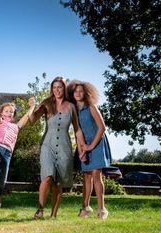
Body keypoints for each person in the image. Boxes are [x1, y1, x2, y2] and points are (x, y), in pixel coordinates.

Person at [28, 76, 85, 219]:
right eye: (54, 87)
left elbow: (77, 130)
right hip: (47, 146)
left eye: (59, 87)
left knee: (58, 184)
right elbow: (33, 120)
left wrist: (82, 148)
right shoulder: (47, 104)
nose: (57, 90)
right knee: (47, 177)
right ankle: (40, 209)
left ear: (64, 88)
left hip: (65, 149)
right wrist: (31, 107)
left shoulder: (71, 107)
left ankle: (53, 215)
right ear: (51, 89)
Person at [0, 86, 35, 208]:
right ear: (1, 113)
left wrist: (32, 107)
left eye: (11, 112)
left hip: (7, 152)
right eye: (7, 111)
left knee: (2, 180)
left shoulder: (16, 126)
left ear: (13, 115)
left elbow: (26, 117)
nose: (9, 113)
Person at [68, 80, 112, 219]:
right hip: (83, 145)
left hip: (97, 144)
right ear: (72, 94)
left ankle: (102, 209)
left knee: (96, 175)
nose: (78, 93)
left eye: (81, 91)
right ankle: (86, 208)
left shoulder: (91, 106)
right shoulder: (74, 110)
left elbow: (102, 127)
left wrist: (91, 146)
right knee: (86, 176)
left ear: (86, 92)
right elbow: (77, 132)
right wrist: (82, 150)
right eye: (75, 91)